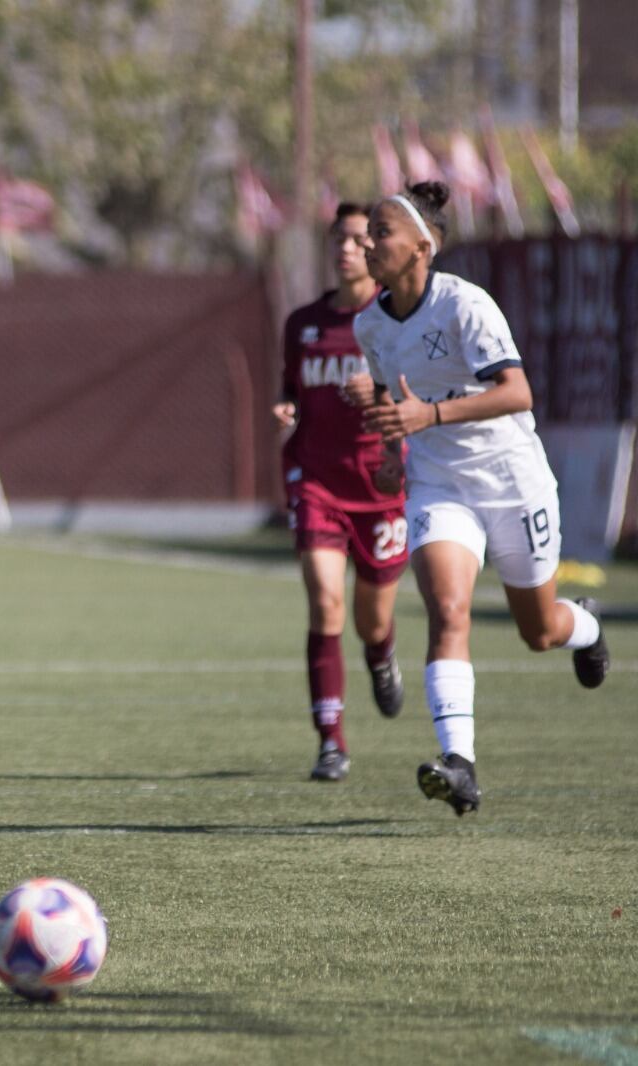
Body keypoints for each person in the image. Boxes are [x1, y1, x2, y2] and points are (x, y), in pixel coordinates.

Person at [354, 181, 610, 816]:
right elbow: (393, 401)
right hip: (440, 486)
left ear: (422, 246)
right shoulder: (369, 324)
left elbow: (518, 393)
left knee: (538, 630)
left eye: (380, 233)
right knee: (447, 609)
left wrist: (428, 416)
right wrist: (391, 454)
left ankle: (585, 624)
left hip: (512, 479)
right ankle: (460, 765)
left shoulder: (465, 305)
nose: (367, 243)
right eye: (366, 234)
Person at [272, 202, 407, 784]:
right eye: (339, 239)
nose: (347, 248)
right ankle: (331, 741)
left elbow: (419, 400)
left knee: (372, 620)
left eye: (358, 239)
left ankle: (381, 657)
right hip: (318, 480)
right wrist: (288, 406)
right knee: (325, 600)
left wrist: (378, 399)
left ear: (377, 249)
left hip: (381, 488)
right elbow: (292, 391)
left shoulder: (397, 320)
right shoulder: (305, 322)